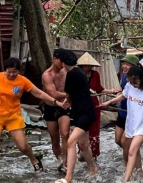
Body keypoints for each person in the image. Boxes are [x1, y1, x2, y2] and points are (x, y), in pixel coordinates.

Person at [57, 50, 98, 183]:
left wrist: (66, 102)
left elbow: (68, 93)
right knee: (83, 145)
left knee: (71, 142)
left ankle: (68, 177)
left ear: (63, 62)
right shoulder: (79, 72)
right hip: (83, 112)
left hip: (84, 113)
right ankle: (93, 168)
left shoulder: (71, 74)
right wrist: (68, 101)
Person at [77, 52, 118, 160]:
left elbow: (99, 89)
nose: (88, 67)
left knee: (94, 130)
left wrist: (111, 91)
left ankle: (93, 153)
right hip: (81, 106)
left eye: (90, 65)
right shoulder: (77, 75)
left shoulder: (95, 75)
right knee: (81, 130)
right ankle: (82, 151)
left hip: (94, 106)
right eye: (86, 65)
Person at [42, 49, 71, 172]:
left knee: (65, 133)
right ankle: (59, 159)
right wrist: (69, 94)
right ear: (54, 59)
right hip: (50, 107)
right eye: (61, 61)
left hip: (64, 107)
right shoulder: (47, 75)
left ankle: (66, 162)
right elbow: (52, 93)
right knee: (54, 138)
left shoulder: (66, 71)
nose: (62, 64)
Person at [115, 54, 140, 164]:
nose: (124, 66)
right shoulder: (124, 76)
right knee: (117, 140)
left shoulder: (138, 81)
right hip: (122, 112)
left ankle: (128, 164)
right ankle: (133, 151)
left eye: (127, 64)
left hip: (132, 115)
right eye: (123, 64)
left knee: (124, 141)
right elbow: (124, 90)